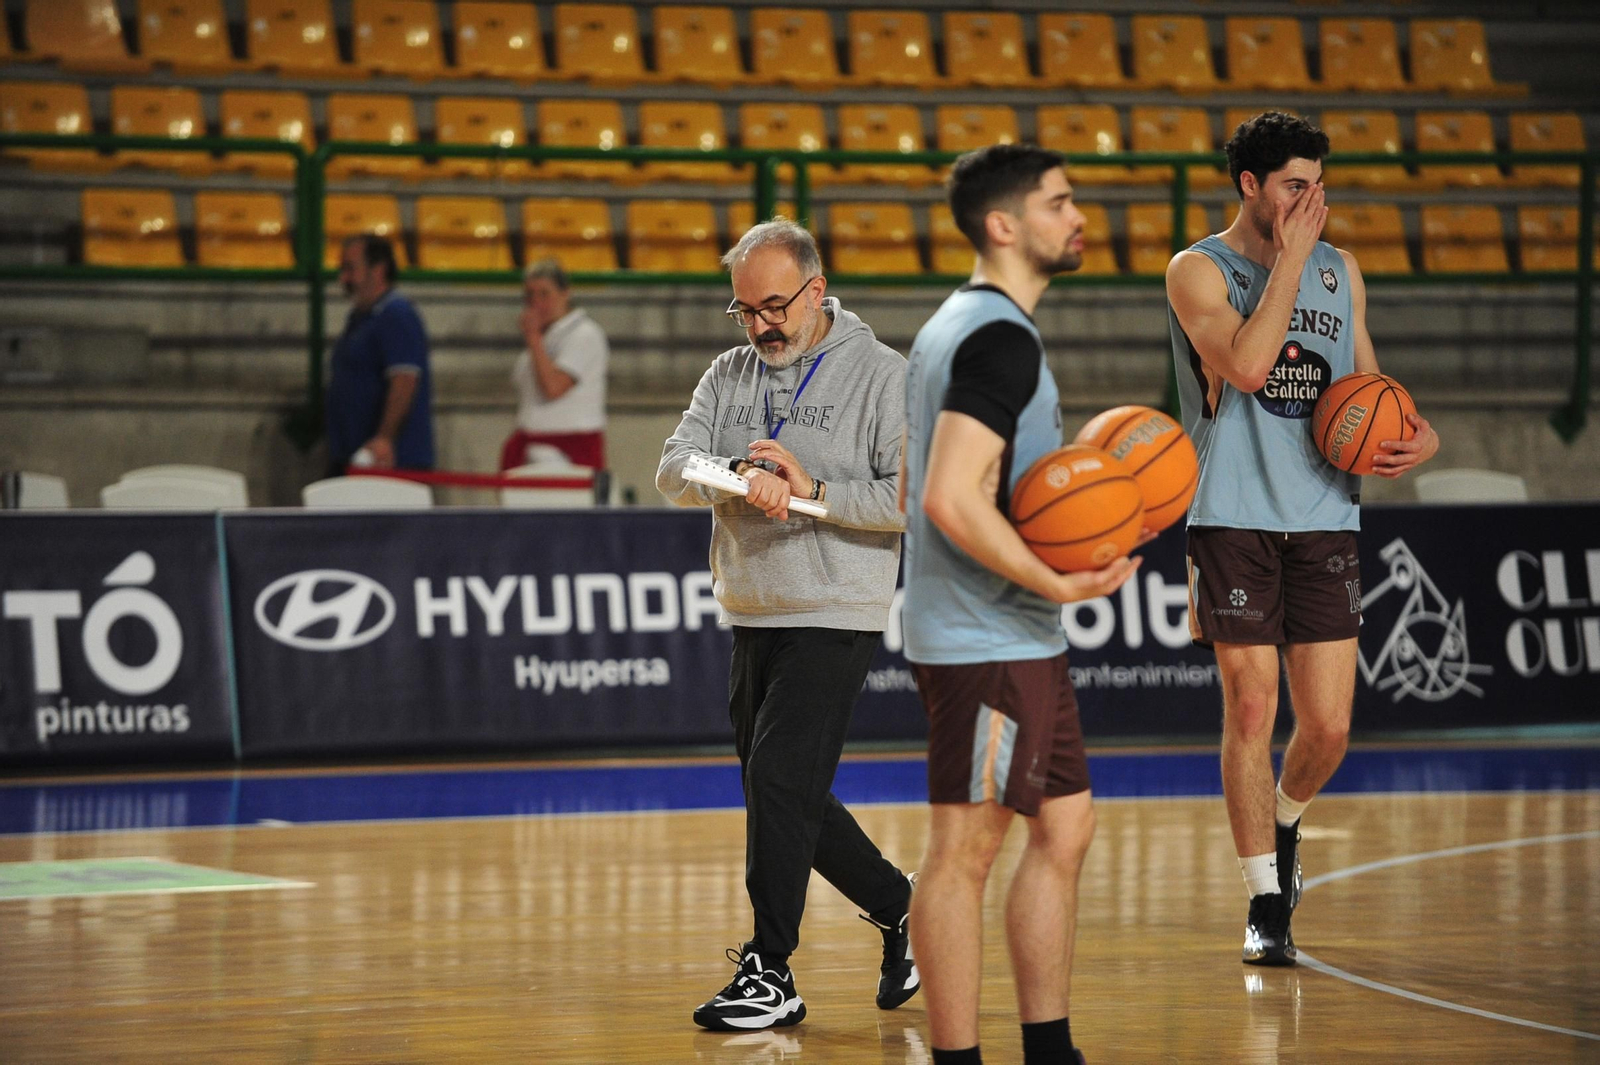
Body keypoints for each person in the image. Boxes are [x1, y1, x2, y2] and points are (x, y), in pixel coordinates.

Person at [1165, 112, 1439, 966]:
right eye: (1293, 186)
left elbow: (1367, 381)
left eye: (1318, 185)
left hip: (1325, 512)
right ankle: (1263, 901)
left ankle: (1284, 823)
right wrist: (1287, 261)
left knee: (1328, 729)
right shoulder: (1196, 269)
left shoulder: (1341, 270)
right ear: (1249, 185)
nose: (1311, 202)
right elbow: (1249, 368)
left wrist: (1415, 433)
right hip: (1231, 511)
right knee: (1251, 707)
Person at [901, 143, 1141, 1065]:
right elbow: (947, 495)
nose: (1077, 217)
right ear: (1003, 225)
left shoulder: (958, 323)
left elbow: (920, 481)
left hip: (1010, 633)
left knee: (1066, 825)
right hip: (987, 636)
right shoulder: (999, 338)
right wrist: (1059, 581)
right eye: (1058, 202)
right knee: (963, 852)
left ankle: (1051, 1050)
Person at [656, 220, 918, 1032]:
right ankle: (902, 907)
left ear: (816, 288)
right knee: (786, 793)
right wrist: (739, 474)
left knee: (776, 782)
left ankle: (770, 970)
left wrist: (809, 491)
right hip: (753, 608)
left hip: (835, 609)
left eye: (774, 306)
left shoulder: (884, 375)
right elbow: (673, 466)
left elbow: (908, 500)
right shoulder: (727, 372)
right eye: (745, 310)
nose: (761, 325)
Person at [326, 233, 434, 476]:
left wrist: (384, 438)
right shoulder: (361, 318)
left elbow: (404, 379)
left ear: (378, 270)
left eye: (350, 269)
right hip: (355, 457)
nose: (343, 278)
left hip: (388, 462)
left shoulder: (396, 314)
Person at [500, 259, 611, 472]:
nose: (536, 302)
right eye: (530, 295)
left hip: (570, 450)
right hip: (530, 442)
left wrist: (533, 337)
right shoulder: (546, 338)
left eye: (544, 294)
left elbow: (554, 387)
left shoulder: (585, 335)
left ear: (565, 293)